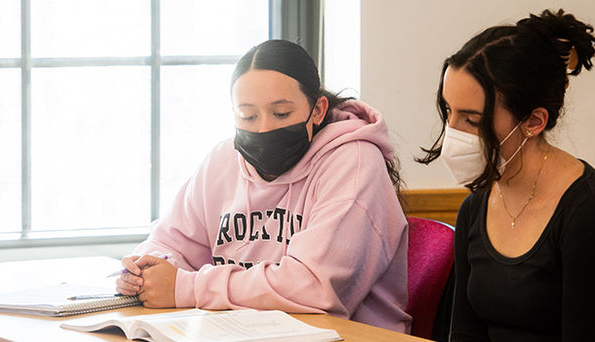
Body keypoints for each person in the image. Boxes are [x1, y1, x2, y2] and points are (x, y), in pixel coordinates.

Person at [115, 39, 411, 333]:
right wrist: (147, 272)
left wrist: (187, 287)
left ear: (318, 110)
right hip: (242, 332)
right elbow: (170, 241)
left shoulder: (354, 161)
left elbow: (314, 288)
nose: (264, 128)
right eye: (248, 116)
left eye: (281, 114)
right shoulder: (223, 159)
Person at [417, 9, 595, 341]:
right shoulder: (475, 207)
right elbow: (465, 333)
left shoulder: (591, 214)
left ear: (534, 122)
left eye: (472, 120)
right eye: (449, 111)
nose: (452, 133)